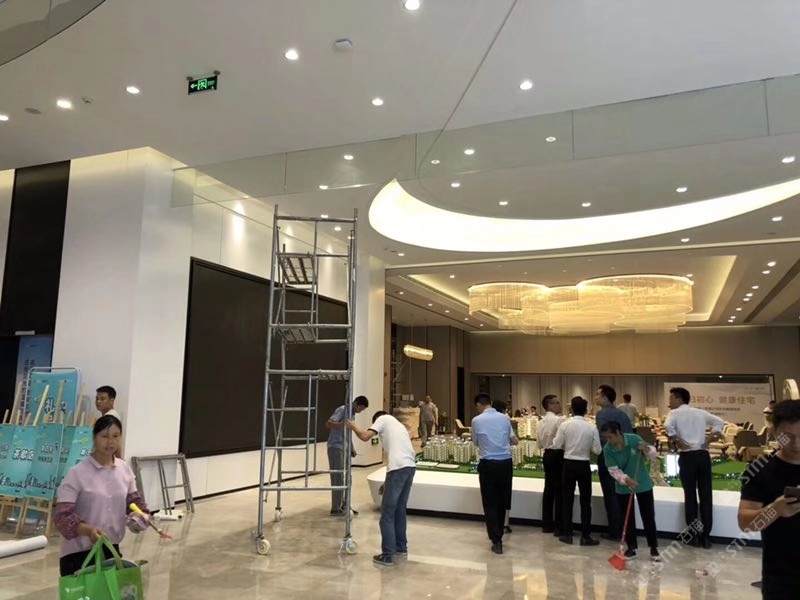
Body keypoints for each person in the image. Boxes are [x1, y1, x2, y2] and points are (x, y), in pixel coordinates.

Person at [54, 415, 149, 576]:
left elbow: (134, 503)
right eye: (104, 436)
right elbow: (62, 517)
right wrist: (88, 530)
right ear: (94, 437)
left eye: (115, 436)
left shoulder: (124, 469)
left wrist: (140, 517)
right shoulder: (77, 473)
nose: (110, 442)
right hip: (78, 554)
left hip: (111, 548)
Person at [738, 399, 800, 599]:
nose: (796, 443)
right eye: (787, 436)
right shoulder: (761, 470)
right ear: (774, 431)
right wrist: (776, 510)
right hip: (782, 578)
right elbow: (746, 524)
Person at [347, 410, 415, 567]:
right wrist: (387, 482)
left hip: (398, 470)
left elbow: (365, 436)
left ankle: (387, 555)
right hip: (409, 468)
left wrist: (353, 426)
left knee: (387, 513)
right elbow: (397, 456)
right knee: (399, 510)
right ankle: (401, 548)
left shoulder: (383, 419)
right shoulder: (399, 426)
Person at [664, 386, 725, 548]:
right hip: (703, 455)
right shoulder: (700, 413)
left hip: (687, 457)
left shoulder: (674, 414)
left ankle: (694, 535)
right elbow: (719, 422)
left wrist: (677, 440)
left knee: (690, 496)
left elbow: (667, 427)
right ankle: (706, 536)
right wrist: (709, 439)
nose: (669, 402)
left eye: (671, 398)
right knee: (706, 495)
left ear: (678, 399)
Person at [601, 421, 662, 562]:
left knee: (648, 515)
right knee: (627, 518)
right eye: (605, 438)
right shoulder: (608, 449)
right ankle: (631, 548)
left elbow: (652, 455)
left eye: (610, 437)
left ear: (618, 433)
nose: (608, 440)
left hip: (642, 482)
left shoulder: (634, 439)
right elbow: (613, 470)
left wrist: (646, 449)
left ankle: (653, 547)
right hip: (623, 486)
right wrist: (626, 480)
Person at [553, 396, 601, 546]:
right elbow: (597, 450)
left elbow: (556, 444)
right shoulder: (591, 427)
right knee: (585, 502)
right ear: (586, 410)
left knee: (567, 500)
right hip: (584, 464)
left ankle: (567, 534)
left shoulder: (565, 425)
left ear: (571, 409)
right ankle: (586, 536)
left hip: (568, 464)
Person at [471, 393, 515, 554]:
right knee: (502, 500)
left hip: (488, 464)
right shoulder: (504, 418)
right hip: (505, 463)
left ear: (478, 405)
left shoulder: (476, 420)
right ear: (490, 402)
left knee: (490, 502)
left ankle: (496, 540)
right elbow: (512, 439)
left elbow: (475, 442)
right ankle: (500, 533)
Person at [594, 384, 633, 541]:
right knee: (621, 494)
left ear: (605, 397)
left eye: (597, 394)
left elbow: (604, 439)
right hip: (624, 458)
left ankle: (614, 530)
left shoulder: (602, 414)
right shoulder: (622, 414)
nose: (595, 397)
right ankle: (625, 529)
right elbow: (629, 435)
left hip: (609, 458)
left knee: (610, 495)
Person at [326, 395, 369, 515]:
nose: (360, 412)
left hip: (344, 447)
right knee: (338, 478)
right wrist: (343, 425)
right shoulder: (342, 409)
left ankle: (345, 505)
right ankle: (335, 508)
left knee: (348, 478)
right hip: (336, 447)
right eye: (361, 409)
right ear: (357, 404)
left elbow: (348, 432)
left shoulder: (352, 414)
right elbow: (329, 423)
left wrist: (352, 447)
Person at [537, 394, 565, 535]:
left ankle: (547, 524)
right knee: (559, 490)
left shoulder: (540, 422)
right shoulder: (558, 420)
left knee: (548, 488)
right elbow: (562, 441)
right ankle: (559, 525)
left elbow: (539, 444)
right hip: (558, 455)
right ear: (550, 405)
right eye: (557, 402)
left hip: (547, 454)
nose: (560, 405)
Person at [493, 399, 518, 534]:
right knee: (505, 492)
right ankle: (505, 523)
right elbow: (514, 440)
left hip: (487, 461)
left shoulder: (481, 420)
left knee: (491, 493)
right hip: (504, 460)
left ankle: (493, 524)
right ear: (503, 410)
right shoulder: (505, 420)